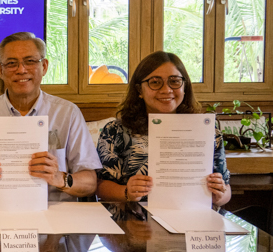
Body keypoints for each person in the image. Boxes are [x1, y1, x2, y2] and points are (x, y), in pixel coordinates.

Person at [0, 32, 101, 201]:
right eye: (11, 63)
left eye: (30, 61)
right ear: (0, 71)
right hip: (1, 213)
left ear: (44, 66)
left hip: (57, 215)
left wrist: (60, 178)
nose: (21, 70)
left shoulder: (67, 113)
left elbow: (90, 183)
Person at [96, 50, 231, 206]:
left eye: (174, 81)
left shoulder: (206, 130)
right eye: (155, 82)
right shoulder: (116, 131)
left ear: (184, 86)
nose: (166, 90)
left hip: (194, 219)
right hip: (135, 220)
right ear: (139, 90)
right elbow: (100, 186)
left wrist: (220, 195)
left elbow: (226, 188)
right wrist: (126, 192)